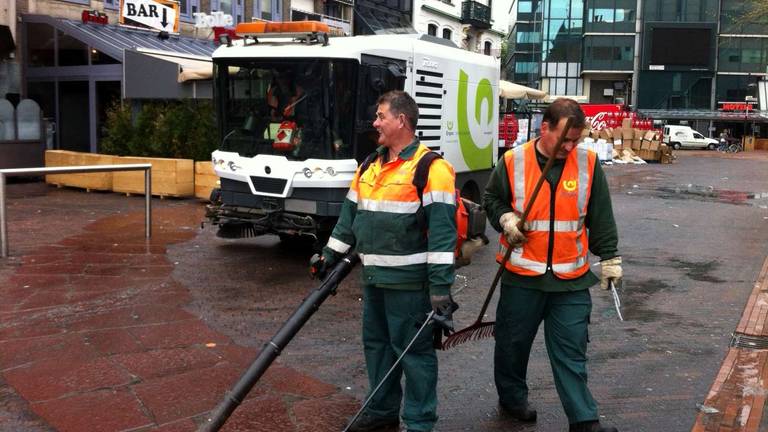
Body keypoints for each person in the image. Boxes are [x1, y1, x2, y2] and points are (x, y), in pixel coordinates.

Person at [310, 90, 457, 432]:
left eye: (381, 116)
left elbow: (442, 236)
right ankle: (382, 409)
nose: (375, 123)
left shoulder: (431, 169)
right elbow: (350, 218)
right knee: (376, 346)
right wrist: (329, 255)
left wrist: (439, 288)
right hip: (374, 279)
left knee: (413, 353)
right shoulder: (370, 165)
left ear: (401, 121)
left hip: (409, 285)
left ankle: (419, 421)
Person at [483, 98, 622, 432]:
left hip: (570, 279)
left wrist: (610, 257)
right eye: (565, 139)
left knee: (572, 352)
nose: (570, 146)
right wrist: (506, 219)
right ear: (544, 128)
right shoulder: (513, 161)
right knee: (512, 345)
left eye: (576, 139)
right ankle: (512, 398)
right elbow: (492, 200)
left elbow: (600, 215)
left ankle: (584, 420)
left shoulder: (587, 163)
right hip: (522, 277)